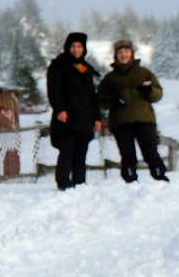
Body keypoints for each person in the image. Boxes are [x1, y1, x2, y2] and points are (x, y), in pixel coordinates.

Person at [99, 38, 168, 183]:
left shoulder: (144, 73)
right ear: (115, 55)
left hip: (144, 119)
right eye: (120, 52)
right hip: (120, 122)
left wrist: (149, 90)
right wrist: (113, 100)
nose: (123, 55)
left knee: (150, 151)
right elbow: (100, 99)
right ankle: (130, 180)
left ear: (132, 53)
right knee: (127, 154)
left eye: (126, 51)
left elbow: (158, 94)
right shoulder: (109, 78)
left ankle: (159, 176)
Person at [46, 32, 103, 190]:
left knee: (81, 154)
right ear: (67, 47)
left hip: (84, 117)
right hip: (66, 116)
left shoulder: (86, 69)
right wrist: (59, 109)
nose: (76, 50)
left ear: (84, 49)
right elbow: (53, 90)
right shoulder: (59, 65)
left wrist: (97, 118)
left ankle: (79, 183)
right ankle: (63, 182)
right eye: (73, 46)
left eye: (79, 46)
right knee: (67, 151)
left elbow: (92, 96)